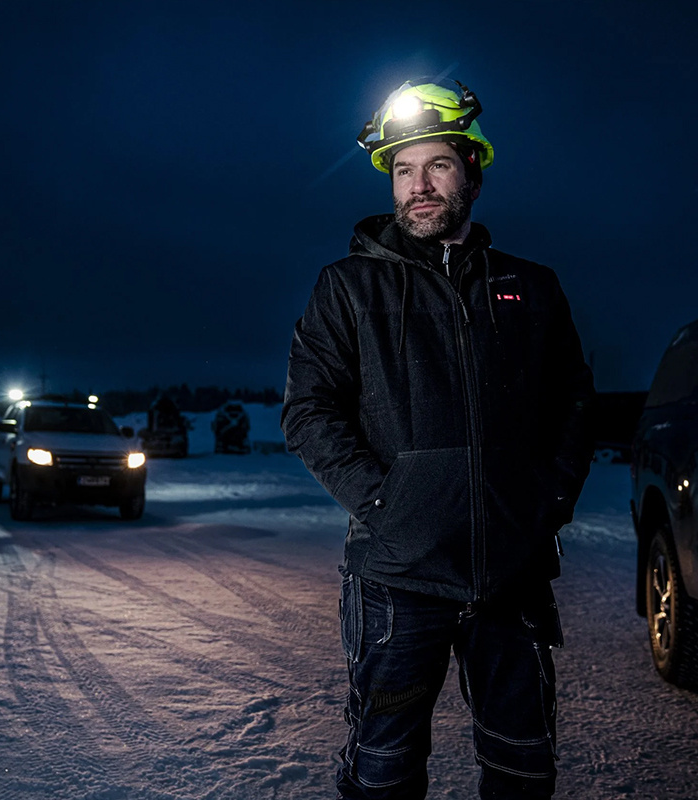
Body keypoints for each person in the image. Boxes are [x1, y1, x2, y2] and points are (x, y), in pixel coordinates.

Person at [280, 78, 595, 799]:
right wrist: (388, 504)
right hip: (399, 577)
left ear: (472, 172)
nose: (418, 186)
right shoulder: (348, 287)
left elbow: (574, 403)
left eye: (438, 166)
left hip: (511, 577)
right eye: (403, 170)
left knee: (523, 770)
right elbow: (309, 411)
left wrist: (546, 500)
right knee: (383, 772)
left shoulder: (531, 286)